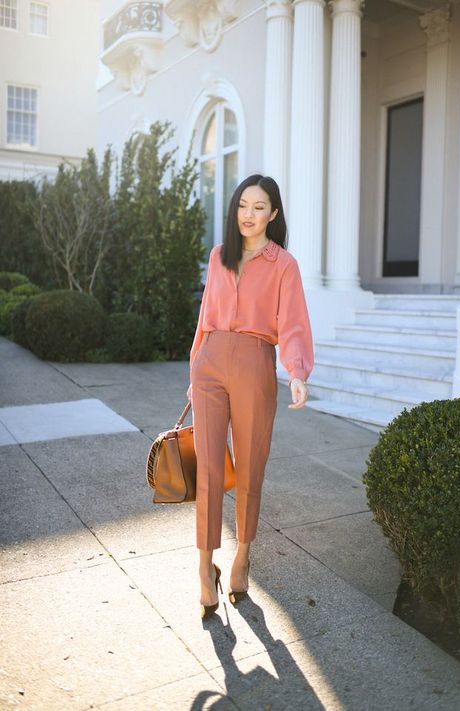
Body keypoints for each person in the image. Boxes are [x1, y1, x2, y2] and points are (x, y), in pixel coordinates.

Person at [187, 174, 314, 618]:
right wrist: (194, 369)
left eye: (259, 206)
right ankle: (204, 567)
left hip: (256, 363)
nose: (249, 214)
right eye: (243, 204)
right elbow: (205, 318)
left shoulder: (284, 264)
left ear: (273, 214)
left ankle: (241, 557)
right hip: (210, 363)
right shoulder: (219, 255)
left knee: (249, 466)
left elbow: (294, 321)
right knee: (207, 468)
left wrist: (297, 371)